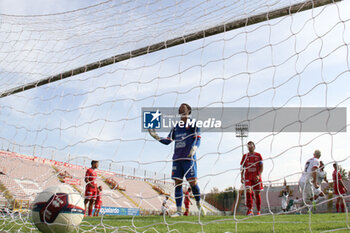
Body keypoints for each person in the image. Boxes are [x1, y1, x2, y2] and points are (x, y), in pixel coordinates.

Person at [149, 103, 205, 217]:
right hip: (177, 159)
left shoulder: (194, 124)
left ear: (188, 110)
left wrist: (194, 148)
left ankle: (199, 203)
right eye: (180, 108)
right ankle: (179, 211)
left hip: (189, 158)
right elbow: (168, 140)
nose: (181, 108)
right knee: (177, 184)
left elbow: (198, 138)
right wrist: (157, 137)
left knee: (193, 183)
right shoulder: (176, 126)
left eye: (184, 107)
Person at [240, 141, 263, 216]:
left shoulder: (258, 155)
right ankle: (250, 210)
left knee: (257, 193)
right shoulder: (245, 156)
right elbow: (242, 167)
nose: (250, 147)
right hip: (248, 177)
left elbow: (261, 166)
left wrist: (259, 175)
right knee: (248, 191)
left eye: (251, 145)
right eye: (248, 145)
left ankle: (258, 211)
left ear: (254, 146)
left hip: (256, 177)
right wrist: (241, 176)